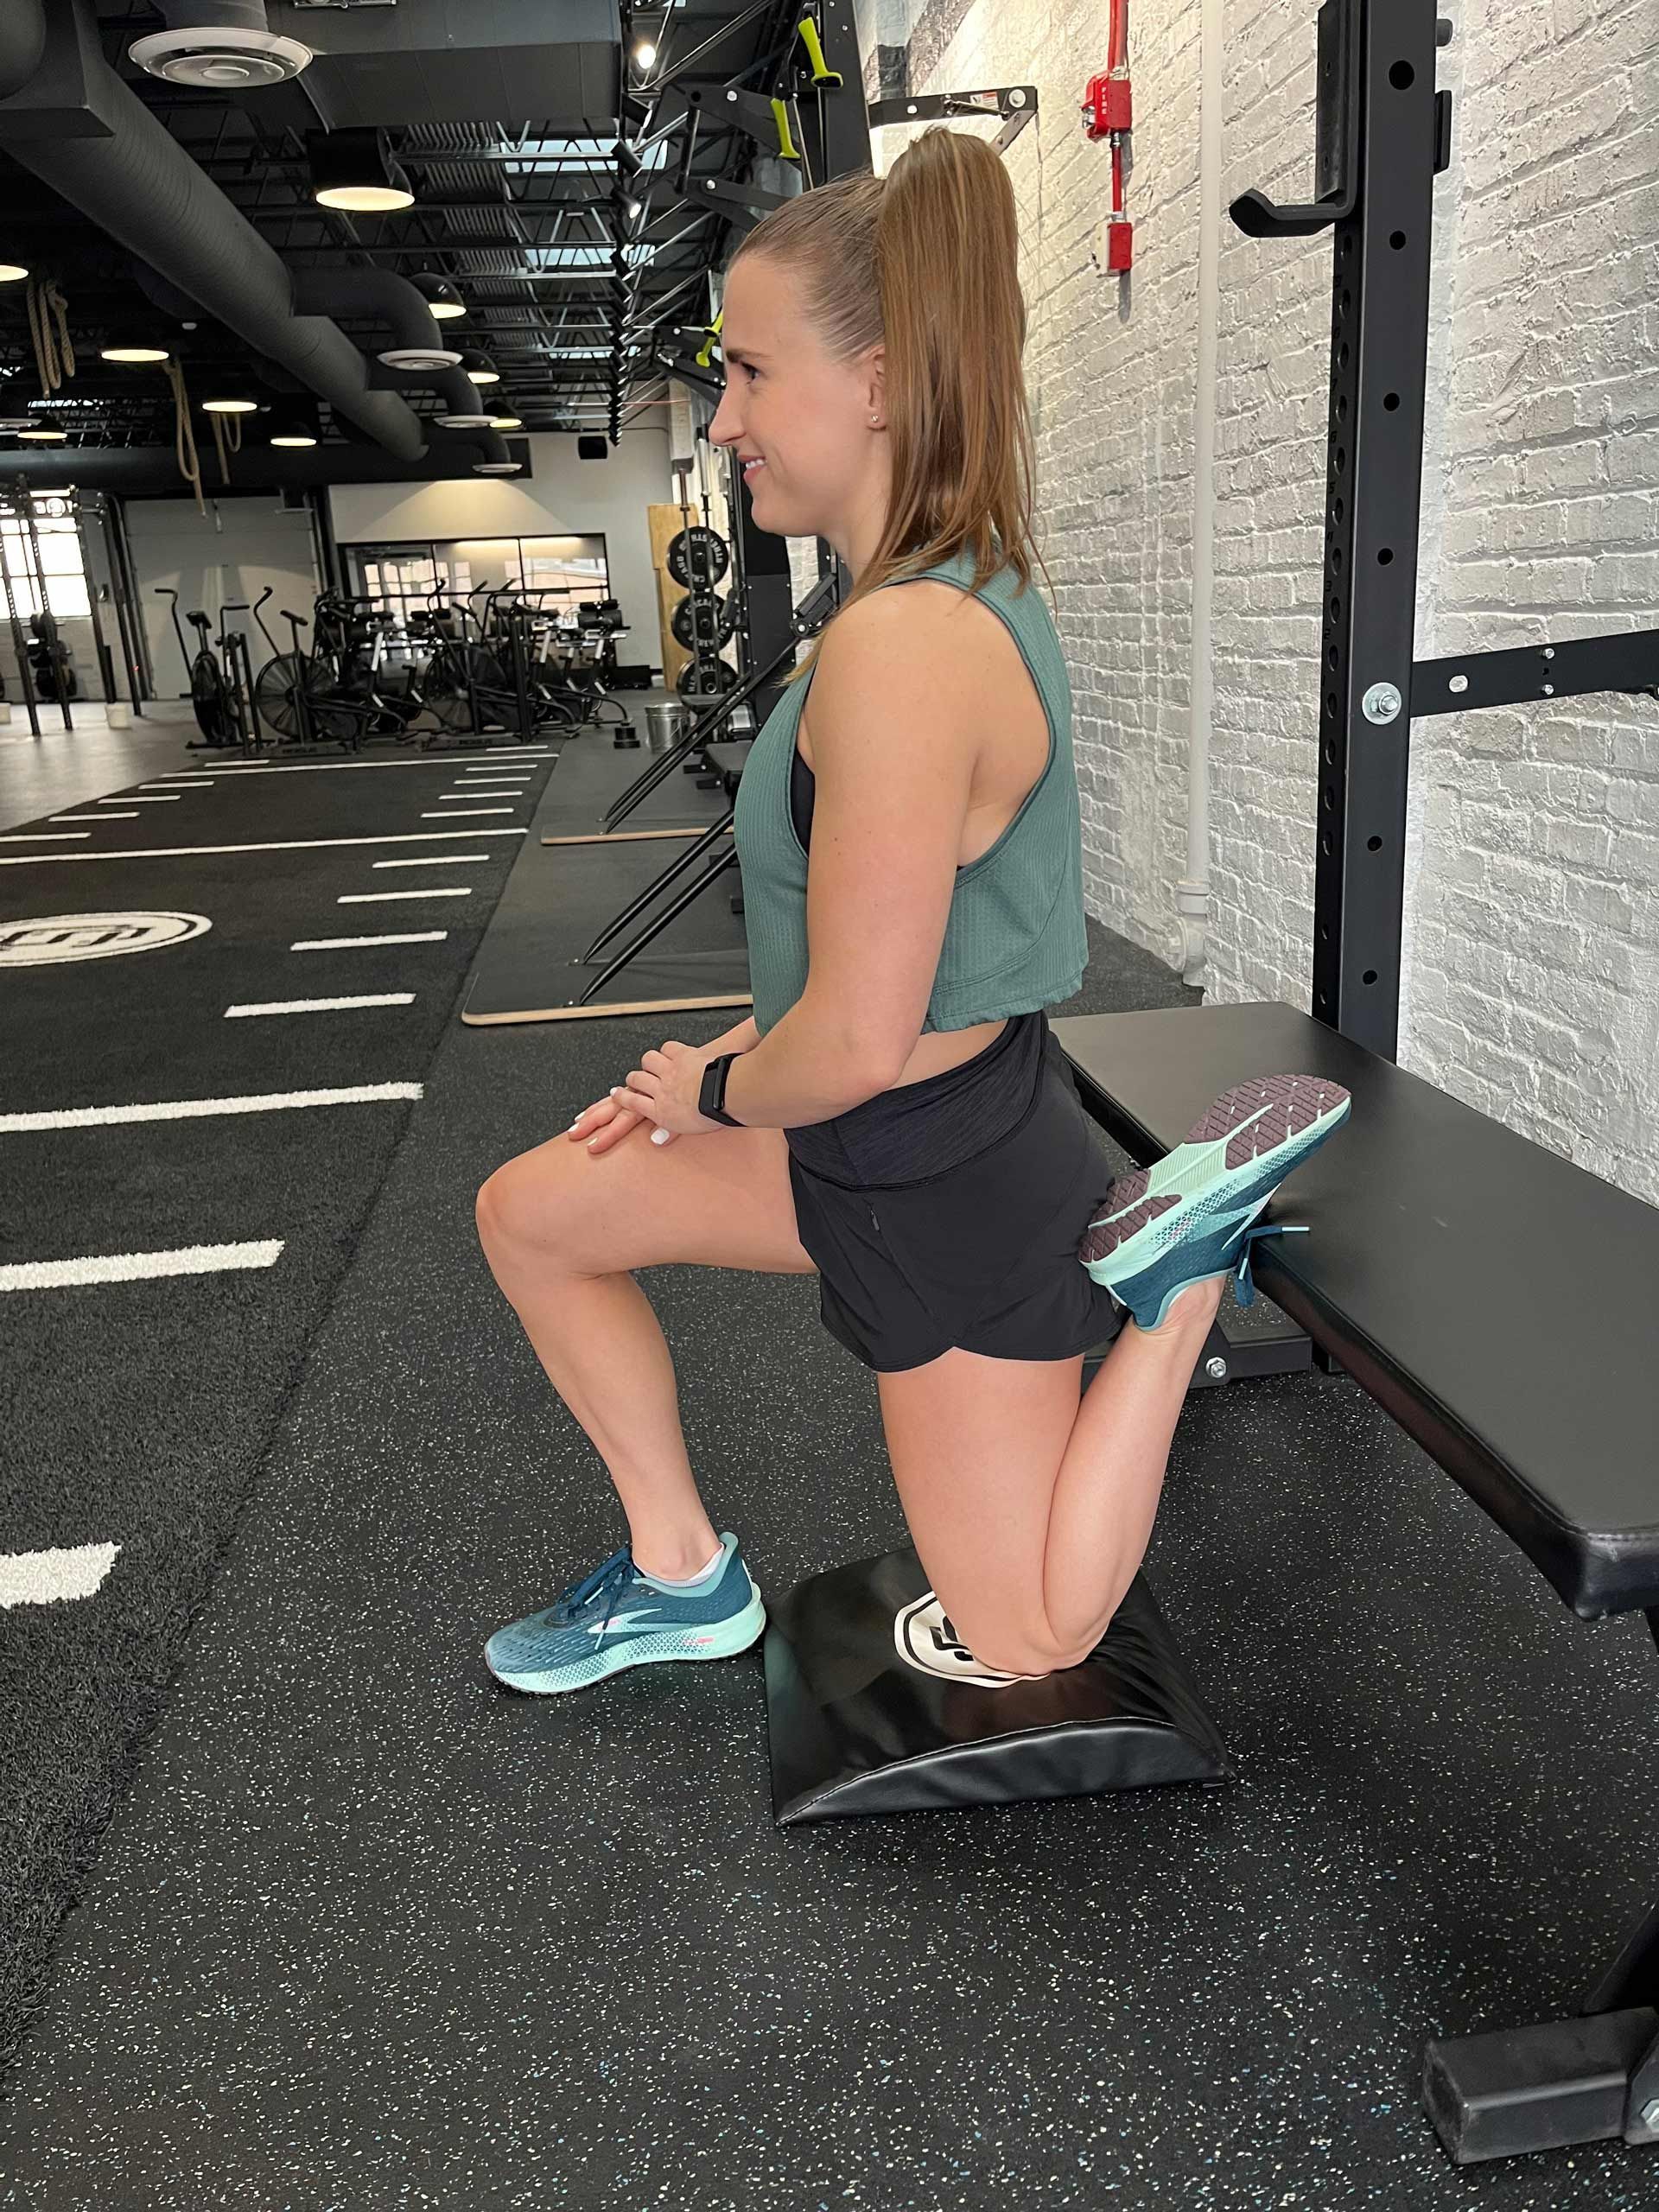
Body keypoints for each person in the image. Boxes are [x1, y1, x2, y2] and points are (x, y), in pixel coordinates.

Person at [474, 127, 1351, 1699]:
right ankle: (682, 1578)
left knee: (1027, 1633)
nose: (725, 418)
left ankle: (1175, 1279)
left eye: (748, 374)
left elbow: (865, 1039)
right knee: (534, 1214)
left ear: (876, 382)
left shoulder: (904, 649)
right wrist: (732, 1054)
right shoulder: (887, 611)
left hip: (932, 1177)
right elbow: (846, 958)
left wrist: (713, 1087)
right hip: (856, 1141)